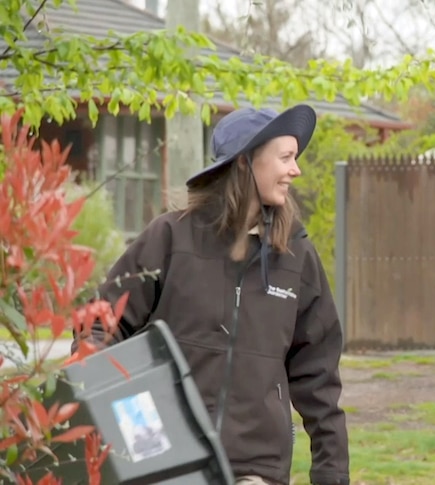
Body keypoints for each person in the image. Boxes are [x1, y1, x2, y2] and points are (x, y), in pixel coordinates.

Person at [71, 105, 350, 485]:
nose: (295, 170)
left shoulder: (296, 256)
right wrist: (120, 422)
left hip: (256, 472)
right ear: (245, 163)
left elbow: (319, 378)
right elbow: (99, 327)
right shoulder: (170, 238)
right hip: (166, 467)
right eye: (285, 157)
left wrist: (331, 475)